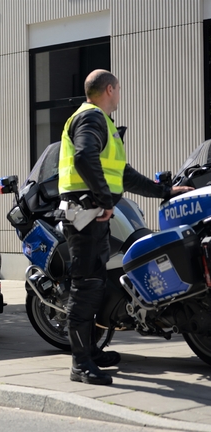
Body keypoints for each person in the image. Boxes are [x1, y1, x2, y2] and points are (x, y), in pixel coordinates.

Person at [58, 69, 193, 385]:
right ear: (109, 89)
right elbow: (82, 157)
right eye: (118, 89)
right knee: (86, 287)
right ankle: (80, 364)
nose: (120, 94)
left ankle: (91, 351)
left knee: (96, 285)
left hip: (92, 217)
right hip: (86, 216)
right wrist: (105, 201)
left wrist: (165, 191)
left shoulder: (103, 124)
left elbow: (124, 175)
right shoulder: (91, 119)